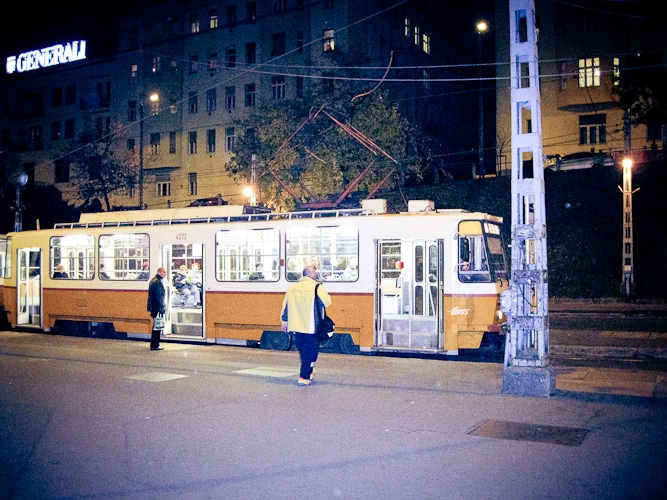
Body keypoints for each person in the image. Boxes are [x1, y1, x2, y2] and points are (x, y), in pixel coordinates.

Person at [280, 265, 331, 386]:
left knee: (303, 351)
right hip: (311, 326)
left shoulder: (292, 288)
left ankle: (308, 370)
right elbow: (328, 302)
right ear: (312, 274)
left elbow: (285, 308)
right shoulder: (317, 287)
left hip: (296, 325)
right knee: (311, 351)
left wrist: (284, 322)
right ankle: (304, 376)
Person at [146, 267, 167, 350]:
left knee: (156, 326)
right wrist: (162, 307)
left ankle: (154, 344)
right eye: (164, 272)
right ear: (159, 272)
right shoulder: (157, 282)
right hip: (157, 307)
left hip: (154, 307)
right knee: (157, 327)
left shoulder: (154, 280)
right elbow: (158, 296)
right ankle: (155, 345)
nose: (165, 274)